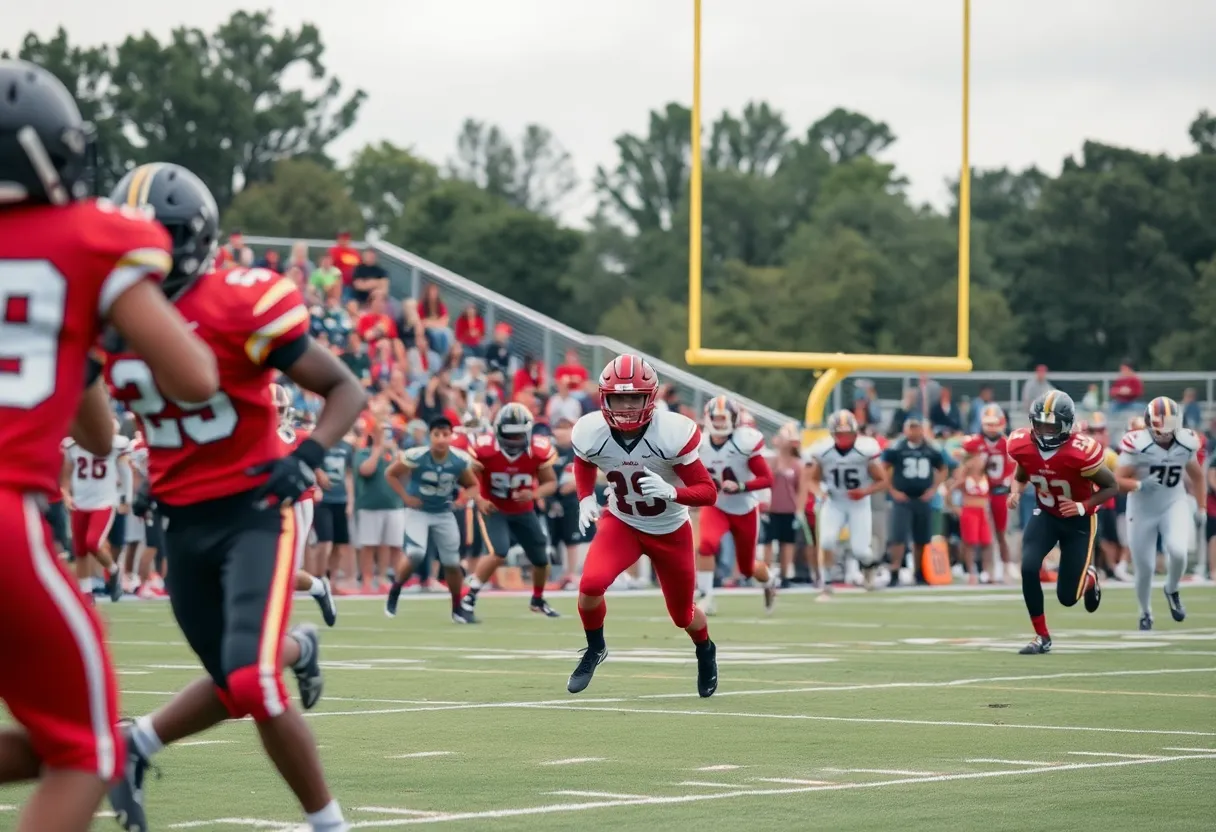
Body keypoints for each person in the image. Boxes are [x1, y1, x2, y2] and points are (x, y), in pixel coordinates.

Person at [102, 163, 366, 832]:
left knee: (251, 681)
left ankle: (329, 824)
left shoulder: (237, 300)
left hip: (253, 515)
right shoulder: (108, 319)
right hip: (180, 522)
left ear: (188, 239)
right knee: (235, 676)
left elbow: (344, 388)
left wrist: (305, 456)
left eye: (153, 236)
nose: (140, 251)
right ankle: (142, 740)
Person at [0, 58, 218, 832]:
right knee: (89, 750)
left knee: (59, 740)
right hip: (5, 520)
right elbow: (193, 376)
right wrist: (89, 334)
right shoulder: (91, 237)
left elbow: (90, 429)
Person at [568, 355, 719, 696]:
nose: (625, 405)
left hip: (669, 530)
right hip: (622, 522)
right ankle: (595, 648)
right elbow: (583, 460)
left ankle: (705, 649)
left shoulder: (671, 432)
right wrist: (585, 498)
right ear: (604, 397)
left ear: (649, 397)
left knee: (682, 616)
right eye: (618, 397)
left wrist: (672, 491)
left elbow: (708, 492)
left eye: (633, 397)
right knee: (590, 585)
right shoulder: (591, 430)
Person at [1007, 391, 1119, 655]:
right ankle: (1041, 636)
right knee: (1028, 567)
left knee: (1067, 598)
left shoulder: (1081, 452)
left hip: (1079, 521)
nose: (1045, 431)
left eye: (1052, 425)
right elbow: (1023, 470)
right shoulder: (1022, 444)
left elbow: (1111, 486)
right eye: (1041, 424)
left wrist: (1082, 505)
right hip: (1046, 514)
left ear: (1067, 425)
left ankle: (1089, 578)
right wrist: (1016, 490)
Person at [461, 403, 562, 618]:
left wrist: (534, 495)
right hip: (494, 508)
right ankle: (469, 598)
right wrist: (478, 499)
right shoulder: (485, 449)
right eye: (510, 435)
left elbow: (550, 483)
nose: (514, 441)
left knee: (541, 558)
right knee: (499, 551)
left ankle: (538, 599)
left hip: (523, 509)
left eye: (519, 436)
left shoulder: (538, 450)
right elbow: (469, 481)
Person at [1116, 397, 1205, 630]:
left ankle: (1172, 588)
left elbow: (1197, 476)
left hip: (1172, 503)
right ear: (1148, 423)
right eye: (1160, 425)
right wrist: (1139, 485)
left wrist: (1202, 506)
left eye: (1169, 424)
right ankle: (1145, 612)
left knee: (1178, 551)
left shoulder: (1186, 443)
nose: (1165, 432)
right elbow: (1116, 480)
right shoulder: (1138, 444)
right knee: (1144, 568)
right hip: (1141, 508)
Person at [384, 416, 480, 623]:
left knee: (452, 563)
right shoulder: (417, 456)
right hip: (418, 512)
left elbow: (473, 485)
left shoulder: (459, 459)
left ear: (451, 435)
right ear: (430, 436)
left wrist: (462, 499)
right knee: (416, 553)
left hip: (443, 512)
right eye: (437, 434)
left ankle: (457, 607)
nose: (441, 439)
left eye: (445, 434)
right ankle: (396, 589)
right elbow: (390, 473)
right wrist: (406, 497)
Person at [695, 396, 776, 614]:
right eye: (716, 418)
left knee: (748, 568)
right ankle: (706, 597)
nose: (720, 423)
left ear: (734, 419)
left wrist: (740, 485)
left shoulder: (744, 442)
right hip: (717, 505)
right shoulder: (698, 444)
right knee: (706, 545)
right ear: (708, 419)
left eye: (725, 418)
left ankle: (770, 581)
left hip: (744, 508)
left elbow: (767, 479)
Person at [272, 384, 339, 627]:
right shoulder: (254, 436)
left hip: (296, 505)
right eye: (272, 410)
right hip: (267, 506)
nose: (275, 415)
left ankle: (316, 591)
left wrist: (317, 475)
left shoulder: (297, 436)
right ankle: (319, 588)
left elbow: (311, 463)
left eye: (279, 410)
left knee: (285, 571)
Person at [800, 410, 888, 590]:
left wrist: (864, 492)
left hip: (859, 503)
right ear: (833, 434)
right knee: (826, 541)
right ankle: (826, 582)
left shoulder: (865, 450)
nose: (844, 438)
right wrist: (820, 493)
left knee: (860, 550)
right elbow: (813, 479)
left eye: (848, 433)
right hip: (835, 501)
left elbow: (883, 480)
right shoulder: (823, 451)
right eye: (840, 434)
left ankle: (870, 567)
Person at [882, 416, 946, 588]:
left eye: (916, 427)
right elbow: (883, 468)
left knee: (922, 538)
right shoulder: (897, 447)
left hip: (922, 498)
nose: (913, 431)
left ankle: (919, 572)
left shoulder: (931, 448)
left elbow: (943, 468)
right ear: (905, 430)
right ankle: (894, 572)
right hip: (902, 497)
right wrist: (893, 490)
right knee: (898, 536)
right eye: (910, 428)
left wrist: (933, 489)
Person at [960, 404, 1015, 582]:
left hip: (1000, 490)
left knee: (1000, 532)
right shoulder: (973, 442)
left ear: (1002, 423)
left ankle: (1006, 567)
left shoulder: (1008, 444)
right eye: (987, 423)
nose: (991, 428)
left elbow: (1017, 470)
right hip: (978, 493)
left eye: (994, 423)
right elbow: (961, 461)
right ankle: (979, 571)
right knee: (976, 535)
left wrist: (1012, 488)